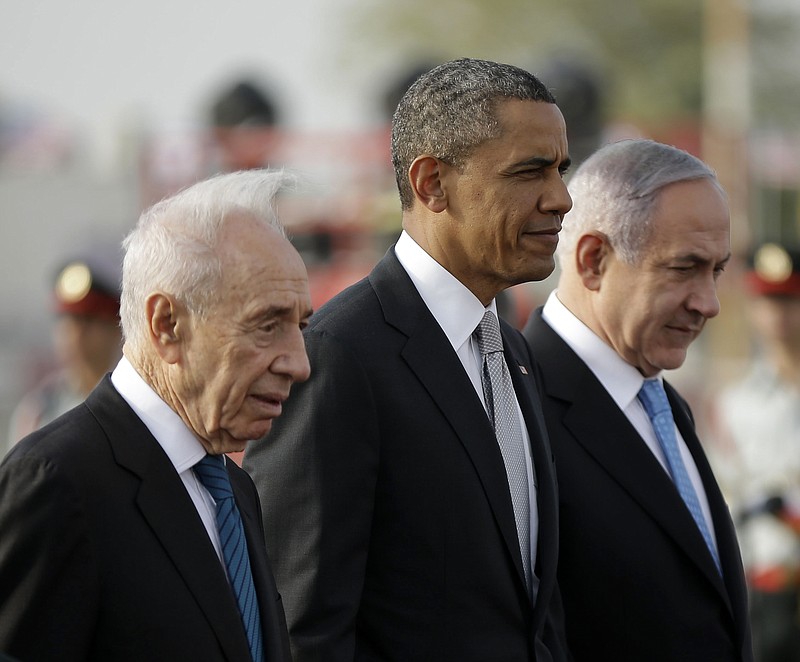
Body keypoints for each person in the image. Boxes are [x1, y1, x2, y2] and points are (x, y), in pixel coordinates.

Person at [244, 57, 573, 661]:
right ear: (431, 184)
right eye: (531, 172)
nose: (561, 198)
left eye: (560, 170)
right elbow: (299, 623)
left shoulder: (510, 350)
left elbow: (529, 606)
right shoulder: (340, 358)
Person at [0, 169, 312, 661]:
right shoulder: (57, 483)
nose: (299, 363)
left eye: (300, 326)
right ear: (167, 324)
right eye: (267, 324)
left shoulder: (234, 490)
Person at [522, 138, 753, 661]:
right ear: (594, 260)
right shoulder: (516, 410)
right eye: (683, 268)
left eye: (716, 271)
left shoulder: (661, 401)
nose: (709, 304)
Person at [711, 242, 800, 662]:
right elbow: (727, 497)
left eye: (789, 301)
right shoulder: (736, 403)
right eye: (767, 302)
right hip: (764, 592)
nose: (778, 317)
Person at [8, 247, 123, 445]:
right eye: (68, 320)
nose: (76, 334)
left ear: (116, 327)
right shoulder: (38, 410)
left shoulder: (135, 403)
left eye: (89, 320)